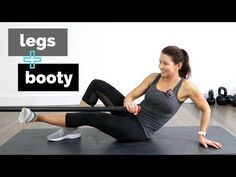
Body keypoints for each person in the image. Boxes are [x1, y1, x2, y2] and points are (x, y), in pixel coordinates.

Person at [18, 46, 222, 149]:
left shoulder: (187, 87)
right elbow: (131, 94)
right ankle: (71, 128)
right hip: (130, 115)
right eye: (159, 61)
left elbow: (206, 108)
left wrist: (201, 134)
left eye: (165, 63)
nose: (160, 66)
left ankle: (34, 117)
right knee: (97, 84)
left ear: (178, 65)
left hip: (139, 130)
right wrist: (129, 103)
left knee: (93, 116)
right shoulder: (153, 77)